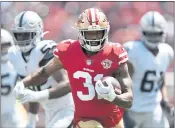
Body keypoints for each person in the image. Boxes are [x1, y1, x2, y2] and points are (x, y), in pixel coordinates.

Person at [13, 8, 133, 128]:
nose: (94, 39)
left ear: (106, 31)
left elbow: (129, 100)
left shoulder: (115, 53)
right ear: (80, 33)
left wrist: (113, 97)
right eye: (89, 34)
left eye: (98, 33)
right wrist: (23, 83)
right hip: (85, 119)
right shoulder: (69, 50)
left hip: (113, 119)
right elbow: (44, 72)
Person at [8, 11, 74, 128]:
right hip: (49, 112)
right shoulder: (15, 55)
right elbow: (33, 89)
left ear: (37, 33)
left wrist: (37, 96)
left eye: (26, 35)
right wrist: (32, 119)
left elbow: (68, 85)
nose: (22, 39)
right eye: (19, 35)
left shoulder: (44, 51)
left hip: (68, 109)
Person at [123, 11, 174, 128]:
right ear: (142, 32)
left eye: (156, 34)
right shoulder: (132, 50)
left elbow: (160, 79)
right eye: (150, 34)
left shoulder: (167, 52)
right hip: (132, 109)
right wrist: (123, 110)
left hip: (153, 109)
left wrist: (164, 100)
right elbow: (123, 82)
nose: (153, 37)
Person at [1, 28, 28, 128]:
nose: (2, 50)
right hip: (13, 115)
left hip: (12, 114)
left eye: (4, 46)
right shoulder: (17, 64)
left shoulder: (16, 65)